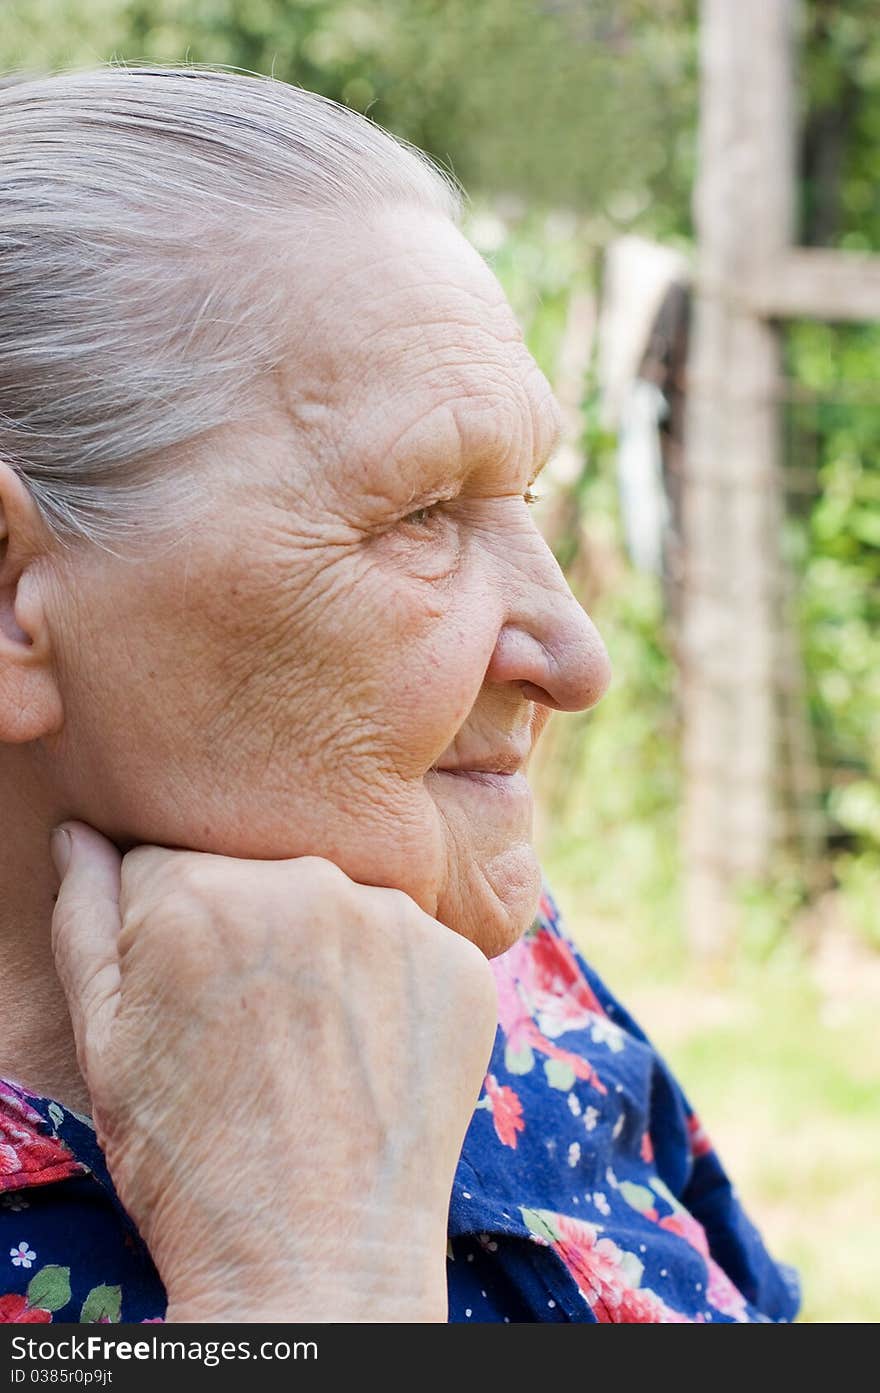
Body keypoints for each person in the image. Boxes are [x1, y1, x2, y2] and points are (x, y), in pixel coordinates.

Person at [0, 65, 799, 1325]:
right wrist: (305, 1290)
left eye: (518, 496)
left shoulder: (518, 989)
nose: (576, 659)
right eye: (420, 513)